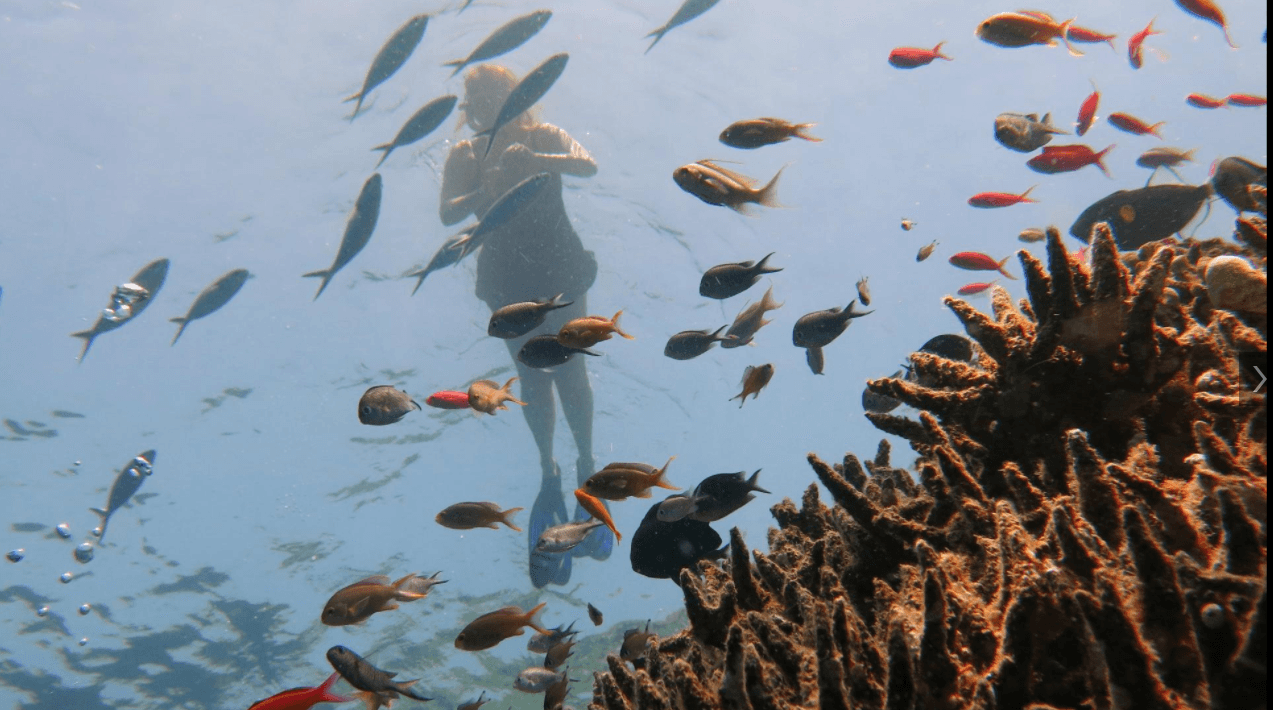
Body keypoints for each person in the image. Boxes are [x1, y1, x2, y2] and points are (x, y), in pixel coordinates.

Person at [439, 64, 611, 587]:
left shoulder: (543, 135)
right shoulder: (466, 155)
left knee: (572, 373)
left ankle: (584, 460)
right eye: (480, 100)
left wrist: (536, 159)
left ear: (518, 97)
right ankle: (547, 471)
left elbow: (588, 165)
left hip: (559, 264)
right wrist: (483, 188)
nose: (490, 106)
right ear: (472, 110)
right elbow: (448, 214)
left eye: (498, 95)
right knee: (534, 377)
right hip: (506, 279)